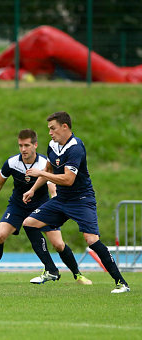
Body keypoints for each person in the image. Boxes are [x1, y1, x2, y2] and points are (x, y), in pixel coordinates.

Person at [22, 111, 130, 294]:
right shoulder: (53, 146)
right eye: (49, 129)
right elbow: (49, 169)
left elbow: (68, 179)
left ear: (65, 127)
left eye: (53, 128)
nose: (50, 132)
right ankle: (51, 270)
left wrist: (40, 173)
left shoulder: (76, 147)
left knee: (91, 240)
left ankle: (121, 283)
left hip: (81, 200)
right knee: (29, 224)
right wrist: (32, 190)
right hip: (61, 199)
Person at [0, 129, 92, 285]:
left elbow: (52, 185)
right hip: (17, 206)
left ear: (35, 145)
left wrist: (55, 200)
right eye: (20, 145)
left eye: (27, 145)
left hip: (41, 207)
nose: (23, 149)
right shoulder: (12, 163)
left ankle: (77, 275)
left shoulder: (44, 163)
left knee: (58, 244)